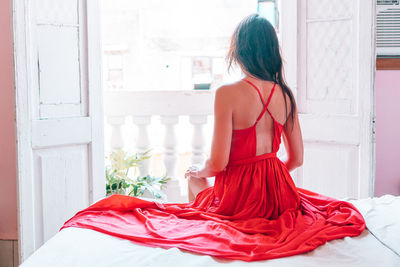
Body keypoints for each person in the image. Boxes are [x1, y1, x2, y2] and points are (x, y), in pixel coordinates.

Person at [61, 14, 366, 262]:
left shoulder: (228, 93)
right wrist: (267, 177)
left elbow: (218, 163)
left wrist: (202, 171)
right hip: (279, 191)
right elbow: (297, 159)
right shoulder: (285, 95)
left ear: (240, 51)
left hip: (239, 195)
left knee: (195, 177)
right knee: (210, 183)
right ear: (273, 51)